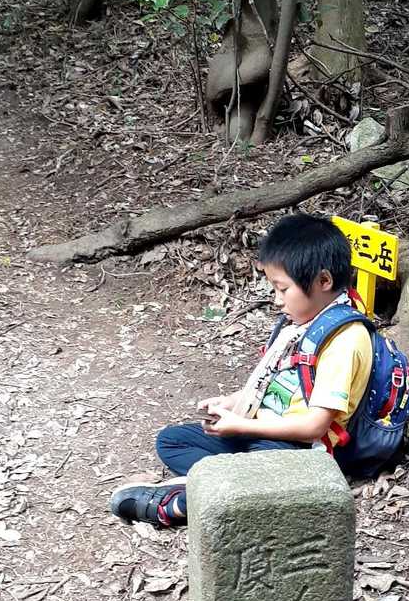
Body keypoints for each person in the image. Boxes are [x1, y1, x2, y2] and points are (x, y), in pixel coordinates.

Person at [110, 212, 374, 528]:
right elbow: (278, 383)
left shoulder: (345, 339)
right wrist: (233, 402)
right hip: (260, 432)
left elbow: (314, 427)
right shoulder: (302, 324)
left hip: (297, 449)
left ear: (323, 281)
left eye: (282, 289)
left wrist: (242, 426)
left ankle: (181, 503)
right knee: (171, 441)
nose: (277, 300)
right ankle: (228, 482)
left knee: (265, 465)